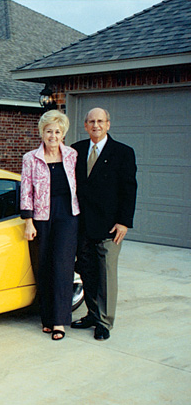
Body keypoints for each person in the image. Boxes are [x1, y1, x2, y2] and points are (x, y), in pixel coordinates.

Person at [71, 107, 137, 341]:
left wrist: (124, 222)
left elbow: (129, 189)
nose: (96, 125)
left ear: (108, 124)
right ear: (86, 125)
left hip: (110, 227)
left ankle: (104, 322)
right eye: (91, 121)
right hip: (83, 225)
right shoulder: (76, 150)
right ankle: (91, 313)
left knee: (106, 276)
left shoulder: (123, 152)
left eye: (100, 121)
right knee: (87, 272)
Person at [20, 110, 80, 341]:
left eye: (57, 131)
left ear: (63, 134)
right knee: (44, 266)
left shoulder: (72, 155)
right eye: (49, 131)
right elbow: (26, 190)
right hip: (41, 216)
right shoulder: (30, 158)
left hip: (67, 214)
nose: (53, 136)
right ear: (42, 133)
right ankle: (47, 318)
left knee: (63, 266)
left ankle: (60, 321)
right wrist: (28, 221)